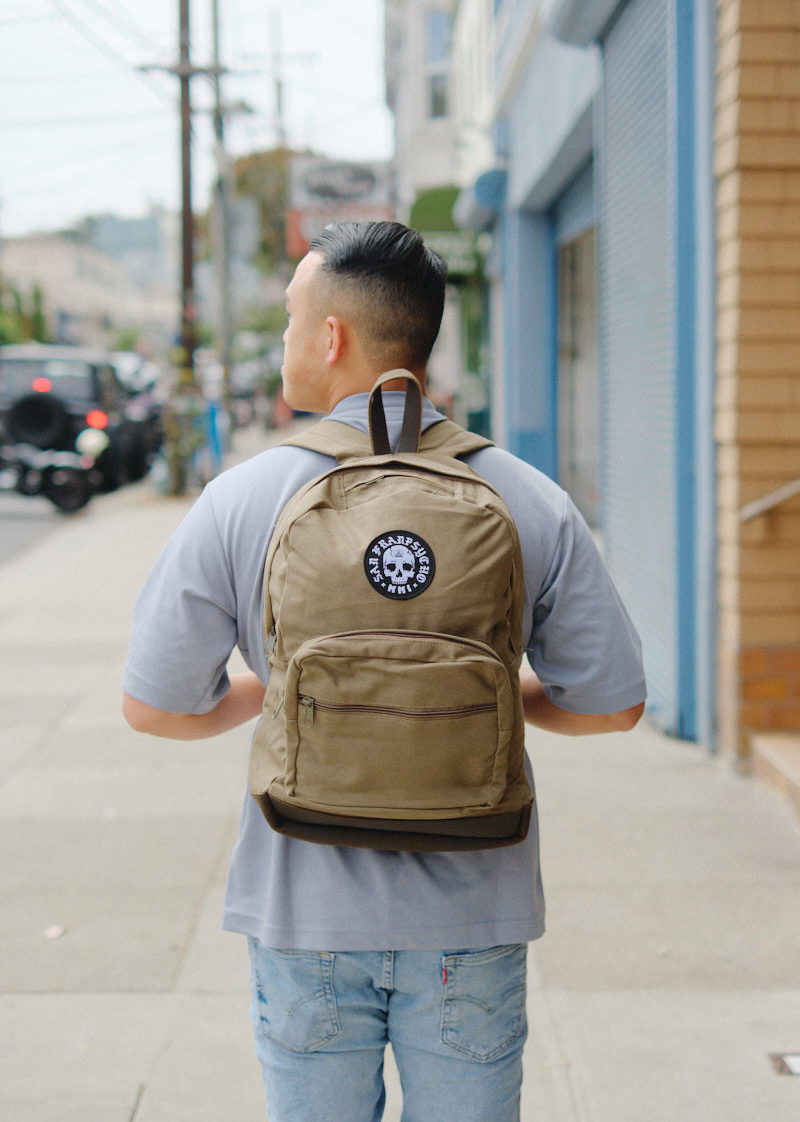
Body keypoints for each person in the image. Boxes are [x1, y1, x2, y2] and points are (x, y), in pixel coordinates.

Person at [122, 221, 646, 1122]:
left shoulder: (241, 500)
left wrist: (279, 690)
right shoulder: (528, 496)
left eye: (291, 319)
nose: (288, 340)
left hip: (303, 905)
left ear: (330, 339)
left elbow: (154, 706)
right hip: (474, 913)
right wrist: (484, 702)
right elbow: (613, 707)